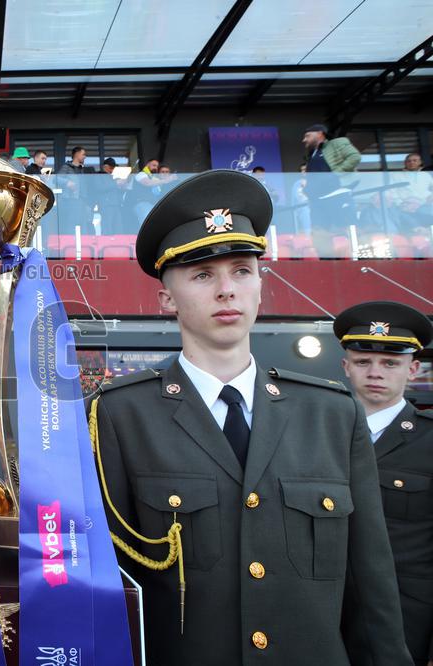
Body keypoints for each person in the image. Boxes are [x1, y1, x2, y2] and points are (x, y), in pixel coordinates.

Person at [88, 169, 410, 665]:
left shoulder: (331, 414)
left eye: (242, 270)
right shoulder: (119, 416)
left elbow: (370, 590)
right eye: (202, 275)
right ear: (166, 298)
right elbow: (110, 588)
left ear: (261, 284)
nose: (226, 290)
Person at [333, 301, 433, 666]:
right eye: (363, 361)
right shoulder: (315, 437)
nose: (376, 372)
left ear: (413, 369)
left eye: (391, 363)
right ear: (346, 367)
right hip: (322, 620)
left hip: (406, 626)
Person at [302, 124, 360, 255]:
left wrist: (335, 174)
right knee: (319, 234)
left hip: (337, 196)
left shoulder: (336, 144)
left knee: (343, 231)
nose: (304, 140)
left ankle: (351, 261)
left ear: (320, 134)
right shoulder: (312, 154)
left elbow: (354, 157)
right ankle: (327, 263)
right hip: (319, 201)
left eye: (307, 136)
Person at [390, 153, 433, 232]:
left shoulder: (426, 175)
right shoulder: (396, 175)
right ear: (405, 163)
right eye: (409, 161)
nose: (411, 162)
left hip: (424, 205)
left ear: (420, 162)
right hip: (405, 207)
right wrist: (401, 204)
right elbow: (392, 192)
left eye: (414, 160)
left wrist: (429, 199)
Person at [56, 146, 95, 235]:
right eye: (83, 154)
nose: (85, 157)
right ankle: (71, 246)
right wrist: (67, 183)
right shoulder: (67, 167)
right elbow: (56, 179)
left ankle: (84, 245)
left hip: (83, 201)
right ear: (77, 154)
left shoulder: (82, 169)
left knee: (84, 224)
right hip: (71, 200)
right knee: (71, 224)